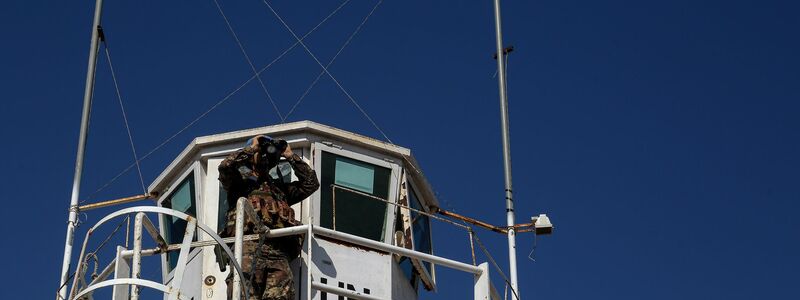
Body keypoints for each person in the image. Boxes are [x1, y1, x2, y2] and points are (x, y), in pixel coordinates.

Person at [218, 135, 320, 300]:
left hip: (279, 253)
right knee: (244, 292)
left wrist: (290, 156)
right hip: (248, 248)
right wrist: (252, 148)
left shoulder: (280, 191)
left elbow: (311, 183)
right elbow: (225, 167)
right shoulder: (239, 185)